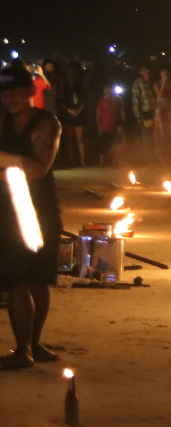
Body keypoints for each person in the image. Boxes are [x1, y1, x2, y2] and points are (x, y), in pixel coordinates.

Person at [0, 64, 64, 369]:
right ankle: (24, 348)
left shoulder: (47, 123)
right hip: (7, 211)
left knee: (38, 281)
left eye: (15, 91)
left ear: (30, 91)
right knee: (17, 281)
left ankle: (32, 346)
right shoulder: (2, 122)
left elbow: (39, 168)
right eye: (4, 92)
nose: (9, 97)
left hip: (41, 211)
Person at [58, 64, 88, 168]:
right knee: (69, 140)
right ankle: (72, 162)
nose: (71, 76)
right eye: (69, 73)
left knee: (80, 139)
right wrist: (69, 110)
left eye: (73, 73)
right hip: (67, 115)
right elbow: (60, 102)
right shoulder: (64, 88)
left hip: (79, 114)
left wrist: (78, 110)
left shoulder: (80, 87)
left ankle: (82, 161)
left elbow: (84, 100)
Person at [95, 84, 126, 167]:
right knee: (103, 145)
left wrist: (123, 123)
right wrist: (99, 126)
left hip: (115, 126)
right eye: (106, 89)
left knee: (115, 145)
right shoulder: (101, 101)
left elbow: (122, 112)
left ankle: (114, 161)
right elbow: (98, 115)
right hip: (104, 126)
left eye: (109, 89)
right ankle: (102, 162)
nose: (108, 91)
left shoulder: (118, 99)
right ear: (104, 91)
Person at [153, 68, 171, 163]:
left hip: (169, 110)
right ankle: (163, 158)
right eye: (163, 72)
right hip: (161, 110)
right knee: (161, 133)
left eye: (166, 72)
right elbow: (159, 95)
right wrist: (163, 83)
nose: (165, 74)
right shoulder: (157, 84)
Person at [132, 65, 157, 161]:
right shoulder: (137, 83)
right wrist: (139, 116)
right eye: (145, 70)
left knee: (156, 138)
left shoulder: (152, 81)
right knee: (147, 138)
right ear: (140, 72)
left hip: (155, 112)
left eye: (148, 69)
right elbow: (135, 101)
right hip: (145, 113)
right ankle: (150, 160)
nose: (147, 71)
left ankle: (157, 160)